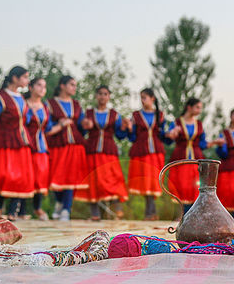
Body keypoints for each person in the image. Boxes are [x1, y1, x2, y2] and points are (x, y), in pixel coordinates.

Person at [0, 66, 36, 219]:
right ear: (15, 78)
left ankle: (13, 212)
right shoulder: (1, 97)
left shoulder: (22, 97)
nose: (27, 81)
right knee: (3, 175)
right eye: (24, 77)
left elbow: (27, 117)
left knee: (21, 176)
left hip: (21, 141)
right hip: (5, 141)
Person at [77, 85, 129, 221]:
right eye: (100, 93)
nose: (102, 96)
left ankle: (116, 207)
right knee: (92, 181)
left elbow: (120, 135)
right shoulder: (87, 113)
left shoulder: (114, 115)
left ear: (109, 96)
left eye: (105, 94)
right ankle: (95, 213)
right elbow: (81, 131)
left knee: (113, 178)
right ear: (96, 96)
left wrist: (124, 127)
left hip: (109, 150)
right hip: (92, 150)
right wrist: (83, 126)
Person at [166, 97, 224, 213]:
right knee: (181, 186)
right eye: (197, 107)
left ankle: (193, 214)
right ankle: (180, 214)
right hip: (181, 158)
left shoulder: (199, 125)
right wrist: (171, 133)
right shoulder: (177, 123)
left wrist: (214, 142)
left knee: (195, 186)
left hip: (196, 159)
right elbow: (168, 138)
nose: (199, 110)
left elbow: (202, 144)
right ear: (189, 107)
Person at [46, 76, 92, 221]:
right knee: (55, 176)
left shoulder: (76, 105)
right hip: (57, 145)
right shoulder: (50, 104)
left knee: (72, 177)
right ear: (62, 86)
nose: (74, 88)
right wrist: (59, 124)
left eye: (75, 85)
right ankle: (59, 201)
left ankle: (66, 209)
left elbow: (80, 125)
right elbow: (46, 124)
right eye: (72, 85)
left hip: (76, 145)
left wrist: (86, 124)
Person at [127, 88, 170, 220]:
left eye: (145, 97)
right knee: (145, 180)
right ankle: (150, 211)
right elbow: (132, 137)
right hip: (142, 151)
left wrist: (169, 134)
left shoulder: (160, 115)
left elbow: (163, 135)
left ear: (153, 99)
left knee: (154, 180)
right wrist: (129, 129)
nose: (142, 100)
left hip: (156, 151)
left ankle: (151, 211)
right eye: (141, 98)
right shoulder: (135, 115)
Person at [22, 77, 61, 221]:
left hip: (41, 146)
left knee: (40, 177)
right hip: (26, 144)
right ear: (31, 87)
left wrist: (62, 125)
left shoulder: (45, 107)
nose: (42, 89)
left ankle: (37, 208)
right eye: (39, 85)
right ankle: (21, 210)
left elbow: (49, 128)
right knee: (26, 177)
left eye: (44, 86)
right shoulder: (23, 104)